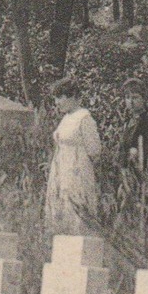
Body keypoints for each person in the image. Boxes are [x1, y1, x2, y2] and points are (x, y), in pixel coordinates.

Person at [44, 78, 103, 234]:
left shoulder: (84, 118)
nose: (57, 102)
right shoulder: (66, 118)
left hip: (76, 171)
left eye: (60, 97)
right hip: (61, 170)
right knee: (60, 207)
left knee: (75, 209)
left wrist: (79, 168)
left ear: (72, 96)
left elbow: (94, 150)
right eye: (55, 98)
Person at [120, 79, 148, 198]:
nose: (131, 101)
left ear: (144, 99)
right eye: (128, 97)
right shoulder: (128, 121)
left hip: (144, 171)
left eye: (135, 97)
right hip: (128, 172)